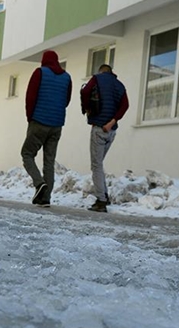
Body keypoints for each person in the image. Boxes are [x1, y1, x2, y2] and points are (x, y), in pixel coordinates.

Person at [21, 50, 72, 207]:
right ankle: (45, 198)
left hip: (39, 121)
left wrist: (30, 117)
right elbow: (66, 101)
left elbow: (30, 97)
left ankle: (39, 183)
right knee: (49, 161)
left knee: (27, 154)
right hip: (57, 124)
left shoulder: (39, 73)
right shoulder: (67, 77)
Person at [80, 64, 129, 213]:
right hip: (111, 131)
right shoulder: (119, 85)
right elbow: (125, 105)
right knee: (99, 163)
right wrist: (112, 122)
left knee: (96, 165)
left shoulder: (96, 79)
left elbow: (85, 91)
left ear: (100, 72)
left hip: (99, 128)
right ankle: (105, 195)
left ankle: (101, 201)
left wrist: (87, 107)